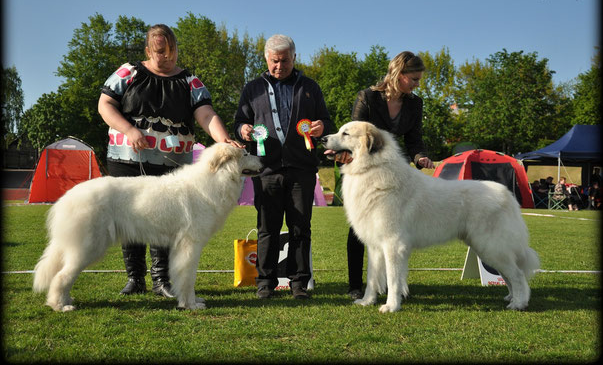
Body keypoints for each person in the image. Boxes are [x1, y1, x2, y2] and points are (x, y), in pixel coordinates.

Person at [98, 24, 242, 298]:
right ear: (148, 51)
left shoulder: (190, 81)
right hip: (127, 158)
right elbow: (105, 104)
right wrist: (129, 130)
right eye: (160, 52)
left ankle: (161, 279)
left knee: (164, 220)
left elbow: (206, 114)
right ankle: (134, 277)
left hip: (172, 163)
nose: (167, 57)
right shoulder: (128, 72)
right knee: (129, 218)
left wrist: (223, 140)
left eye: (172, 51)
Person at [234, 34, 335, 300]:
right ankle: (265, 283)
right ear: (266, 59)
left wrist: (321, 126)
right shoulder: (252, 88)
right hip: (265, 170)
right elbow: (240, 120)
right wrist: (243, 129)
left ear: (294, 57)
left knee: (301, 227)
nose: (280, 66)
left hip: (302, 169)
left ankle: (299, 282)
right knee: (267, 227)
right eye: (275, 61)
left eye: (285, 61)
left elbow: (325, 120)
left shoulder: (310, 87)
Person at [332, 51, 435, 299]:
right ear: (399, 75)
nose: (417, 84)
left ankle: (391, 285)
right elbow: (355, 134)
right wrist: (344, 155)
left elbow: (414, 141)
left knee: (392, 232)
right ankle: (356, 286)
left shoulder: (415, 103)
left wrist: (419, 157)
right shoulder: (367, 97)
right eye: (413, 79)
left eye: (419, 80)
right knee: (359, 229)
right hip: (361, 168)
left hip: (390, 173)